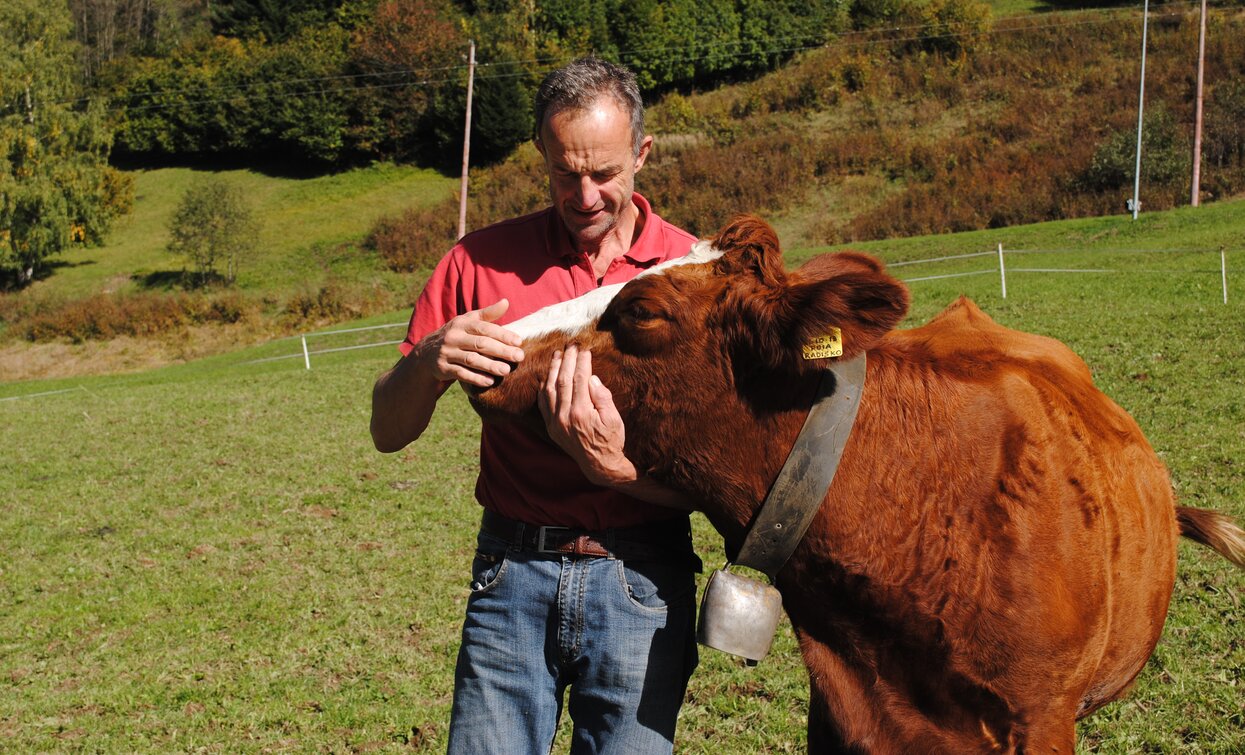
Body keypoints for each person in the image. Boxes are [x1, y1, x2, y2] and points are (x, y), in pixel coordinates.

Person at [369, 57, 702, 754]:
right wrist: (430, 359)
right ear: (541, 157)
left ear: (641, 153)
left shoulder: (694, 277)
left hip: (642, 574)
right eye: (563, 173)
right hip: (512, 573)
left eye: (604, 173)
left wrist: (616, 471)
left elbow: (716, 474)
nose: (583, 195)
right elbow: (386, 430)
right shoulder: (477, 264)